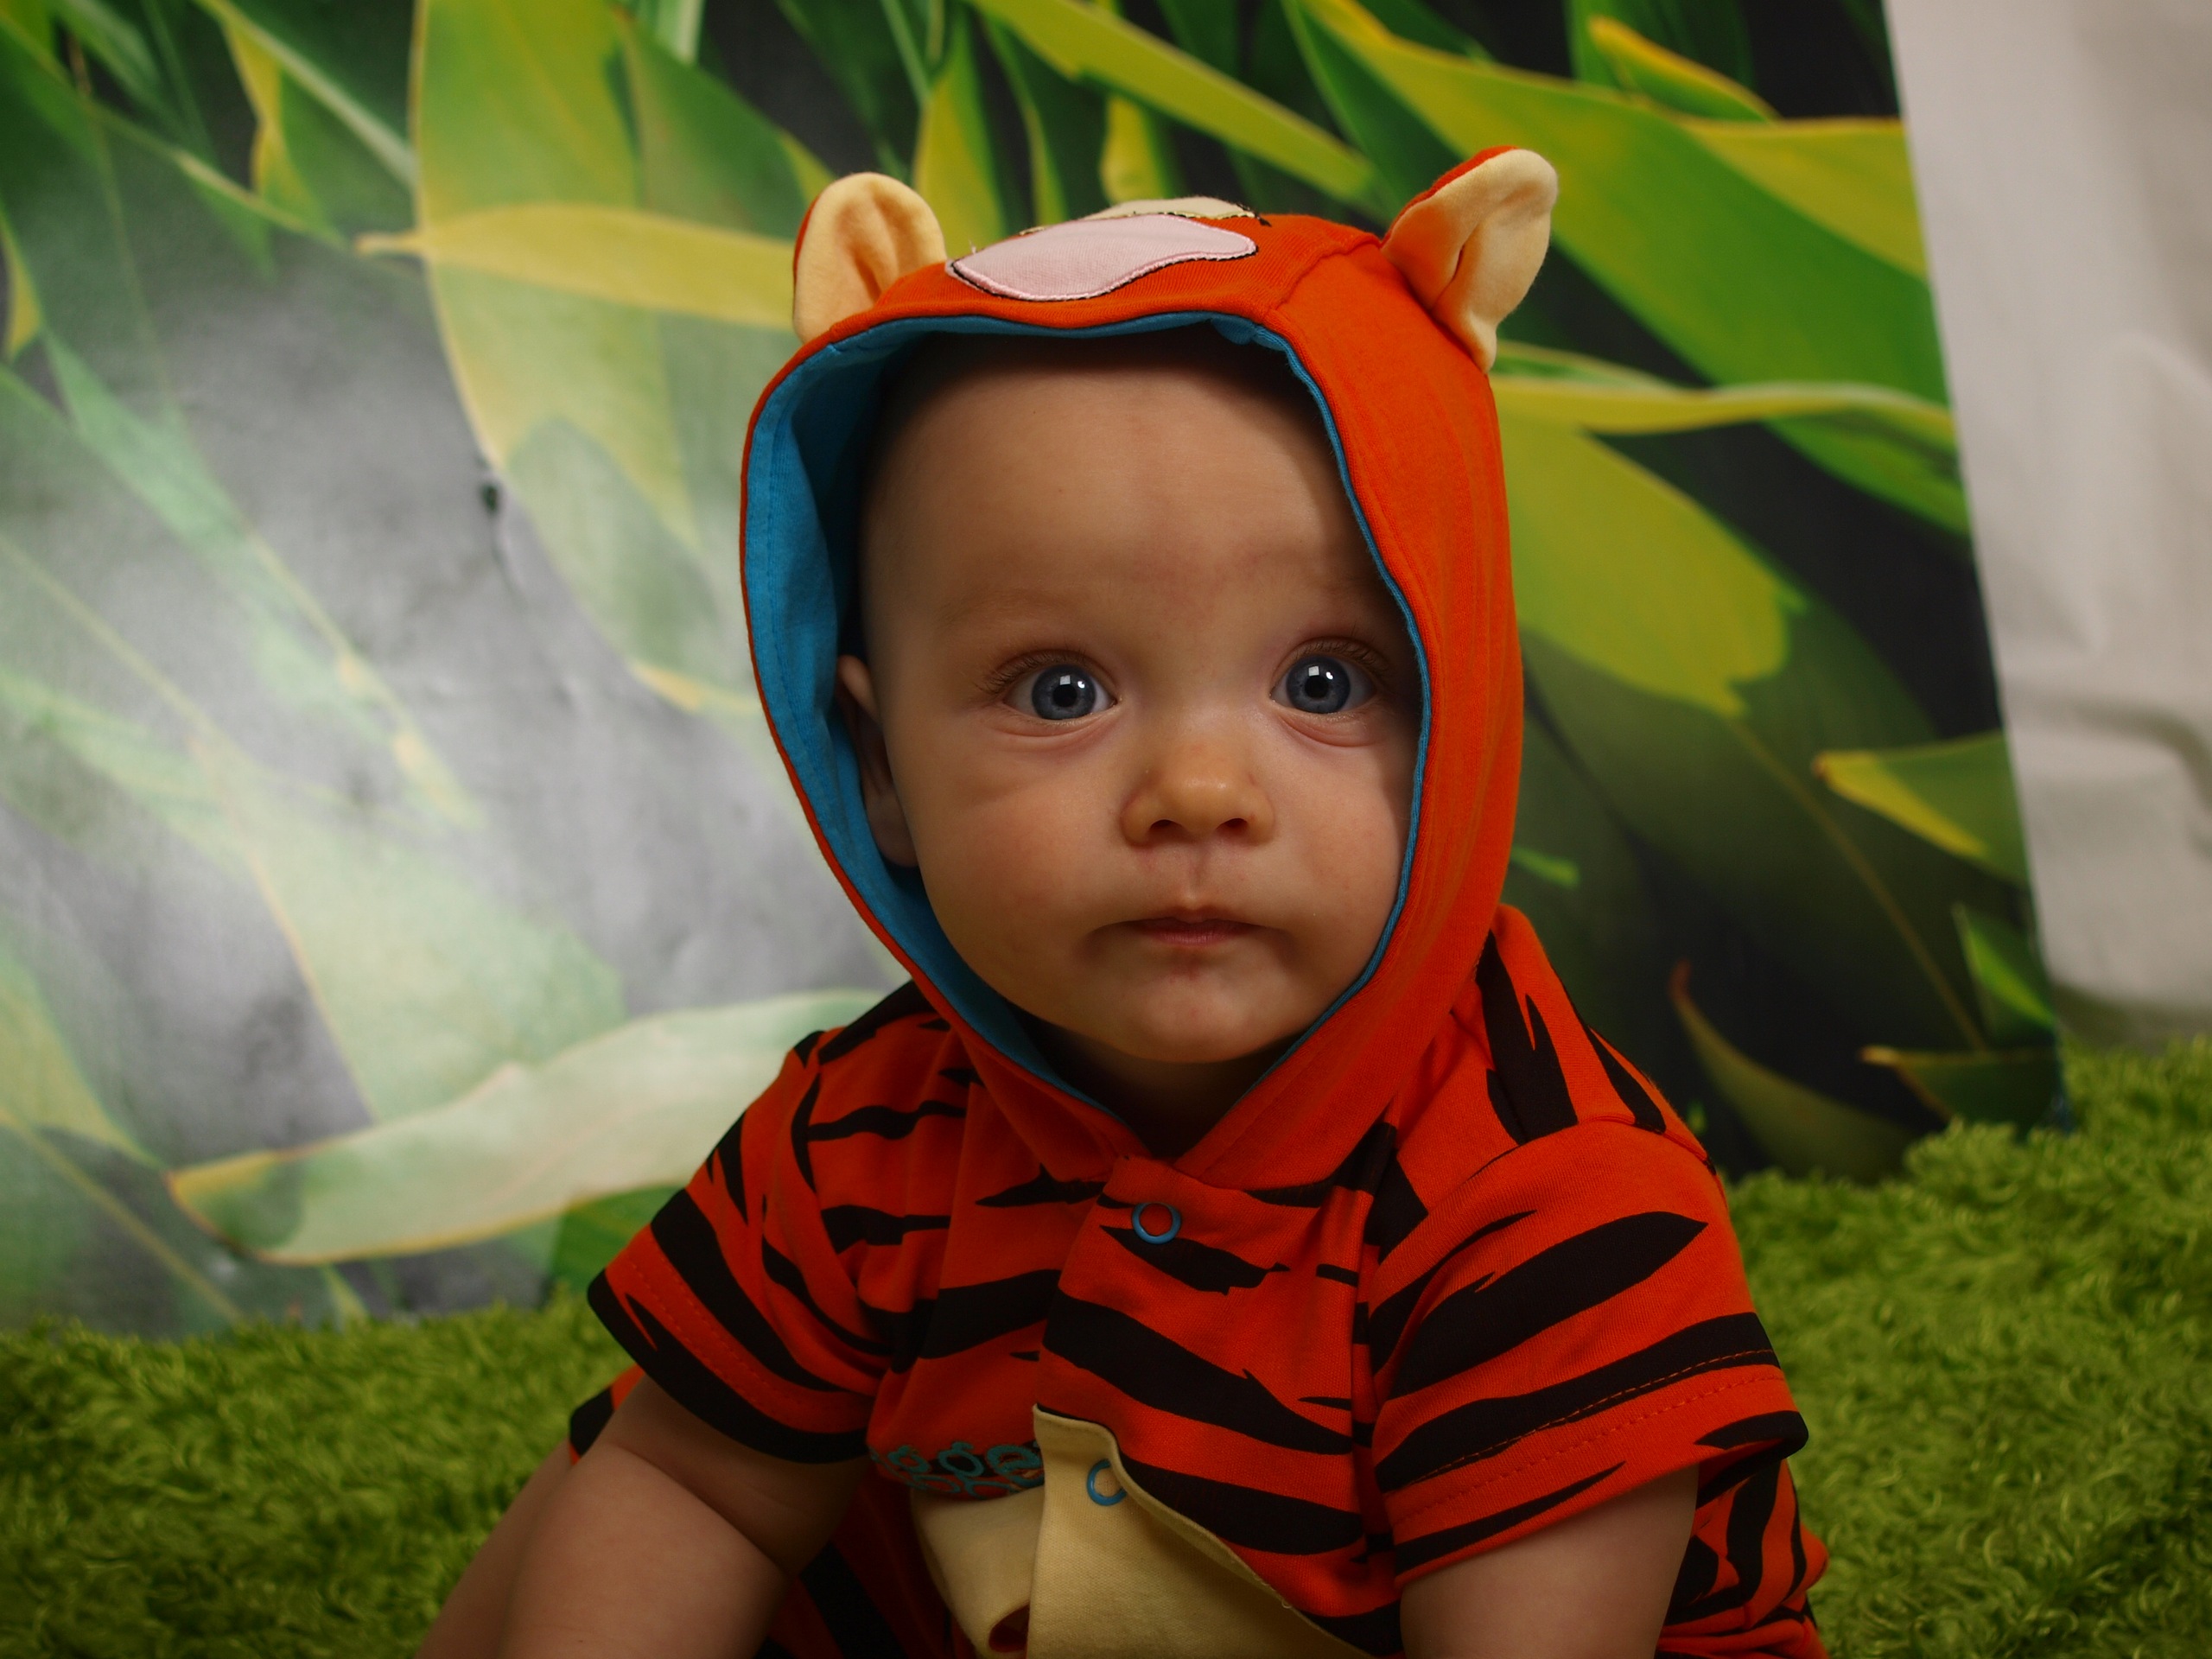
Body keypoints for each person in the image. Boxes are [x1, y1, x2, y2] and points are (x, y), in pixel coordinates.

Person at [420, 151, 1827, 1659]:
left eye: (1323, 682)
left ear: (1461, 718)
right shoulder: (862, 1136)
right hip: (1028, 1584)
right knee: (627, 1463)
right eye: (1061, 691)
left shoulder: (1543, 1199)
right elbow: (700, 1490)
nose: (1197, 791)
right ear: (880, 769)